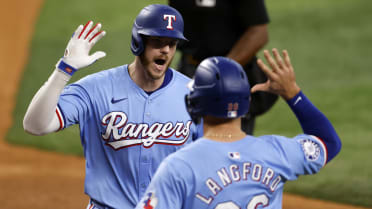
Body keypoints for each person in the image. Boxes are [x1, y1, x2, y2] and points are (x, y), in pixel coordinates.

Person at [23, 4, 202, 209]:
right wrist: (64, 70)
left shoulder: (193, 94)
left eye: (172, 43)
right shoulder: (96, 89)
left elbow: (210, 162)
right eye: (157, 42)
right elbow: (35, 125)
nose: (165, 50)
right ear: (138, 42)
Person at [135, 49, 342, 209]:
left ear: (194, 103)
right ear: (246, 102)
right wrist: (292, 93)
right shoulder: (277, 152)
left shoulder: (179, 167)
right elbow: (328, 142)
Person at [168, 0, 279, 135]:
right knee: (184, 139)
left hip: (230, 77)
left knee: (231, 145)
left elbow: (259, 33)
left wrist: (219, 71)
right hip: (189, 69)